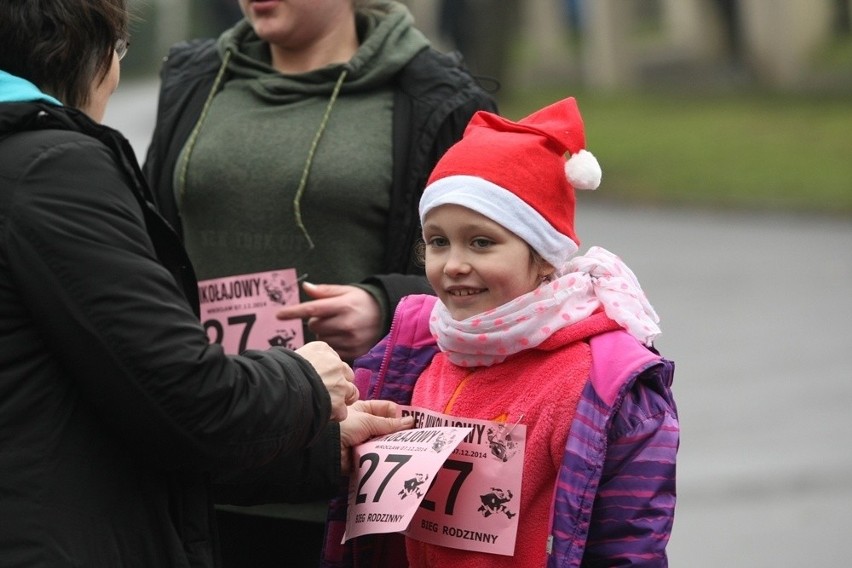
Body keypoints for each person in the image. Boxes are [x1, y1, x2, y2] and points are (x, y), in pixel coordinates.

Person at [0, 1, 413, 566]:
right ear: (83, 51)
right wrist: (306, 381)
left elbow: (105, 392)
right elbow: (179, 402)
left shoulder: (430, 92)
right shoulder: (52, 166)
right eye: (118, 52)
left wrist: (321, 440)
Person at [142, 0, 497, 564]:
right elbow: (146, 249)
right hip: (205, 449)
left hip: (352, 459)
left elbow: (494, 275)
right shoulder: (194, 79)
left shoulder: (436, 96)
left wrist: (387, 304)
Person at [321, 97, 679, 567]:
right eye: (437, 241)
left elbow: (629, 544)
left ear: (545, 255)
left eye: (482, 242)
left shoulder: (600, 385)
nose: (454, 265)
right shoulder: (413, 354)